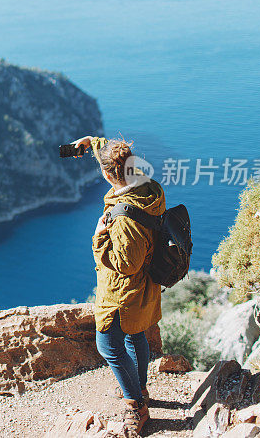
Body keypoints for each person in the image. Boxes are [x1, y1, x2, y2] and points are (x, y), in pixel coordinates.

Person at [72, 135, 164, 436]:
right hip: (146, 286)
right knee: (135, 334)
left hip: (123, 292)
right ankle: (141, 390)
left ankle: (135, 404)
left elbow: (127, 265)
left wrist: (99, 238)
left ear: (109, 174)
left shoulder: (124, 216)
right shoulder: (147, 187)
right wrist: (93, 142)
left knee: (108, 345)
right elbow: (116, 156)